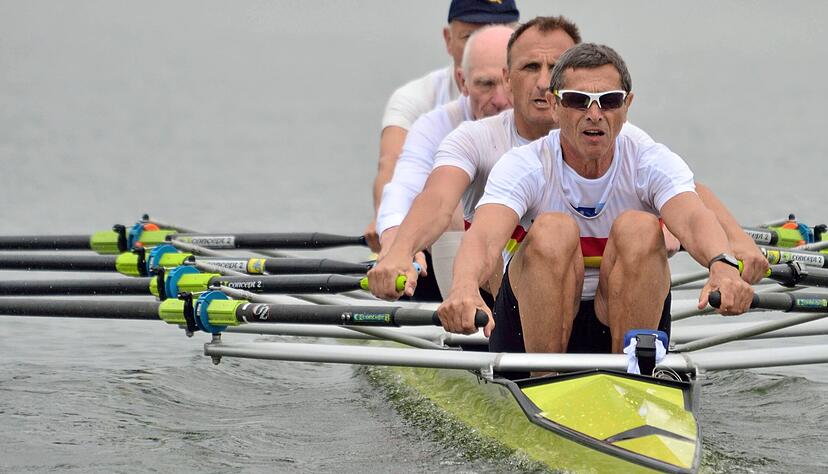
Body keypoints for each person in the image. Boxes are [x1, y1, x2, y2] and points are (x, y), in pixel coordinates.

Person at [368, 17, 768, 303]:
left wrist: (730, 253)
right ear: (509, 78)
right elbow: (433, 201)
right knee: (542, 231)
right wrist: (398, 250)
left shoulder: (617, 133)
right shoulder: (471, 136)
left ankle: (627, 361)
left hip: (605, 287)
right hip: (503, 286)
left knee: (646, 228)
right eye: (531, 68)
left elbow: (688, 194)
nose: (544, 81)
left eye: (555, 68)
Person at [436, 43, 755, 377]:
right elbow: (486, 236)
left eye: (609, 100)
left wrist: (724, 266)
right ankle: (544, 382)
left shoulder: (649, 159)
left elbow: (692, 217)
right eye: (577, 100)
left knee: (641, 227)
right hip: (530, 333)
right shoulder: (525, 165)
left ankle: (635, 378)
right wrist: (464, 287)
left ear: (627, 105)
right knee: (553, 230)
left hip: (618, 320)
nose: (594, 114)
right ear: (556, 107)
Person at [364, 0, 520, 251]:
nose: (500, 99)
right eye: (470, 35)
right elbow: (393, 165)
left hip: (515, 233)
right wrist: (391, 227)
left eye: (499, 30)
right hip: (445, 228)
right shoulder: (419, 100)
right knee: (449, 200)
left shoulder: (546, 101)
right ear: (448, 40)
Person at [374, 25, 515, 301]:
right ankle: (464, 318)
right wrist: (395, 243)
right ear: (462, 82)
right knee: (451, 206)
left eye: (508, 83)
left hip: (528, 258)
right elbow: (403, 186)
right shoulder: (435, 123)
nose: (500, 100)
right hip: (462, 254)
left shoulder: (549, 116)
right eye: (485, 84)